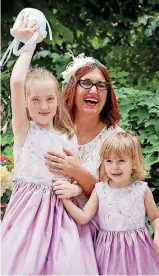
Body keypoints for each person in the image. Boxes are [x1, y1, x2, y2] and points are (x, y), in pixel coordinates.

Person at [1, 19, 98, 275]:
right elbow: (17, 82)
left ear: (58, 101)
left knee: (65, 264)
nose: (43, 106)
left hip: (60, 213)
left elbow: (77, 175)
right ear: (26, 104)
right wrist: (30, 42)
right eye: (35, 100)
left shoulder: (68, 136)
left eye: (49, 99)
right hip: (28, 215)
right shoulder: (24, 131)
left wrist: (75, 186)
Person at [45, 51, 123, 237]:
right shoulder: (52, 127)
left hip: (92, 235)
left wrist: (77, 172)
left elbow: (116, 202)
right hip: (46, 227)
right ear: (73, 87)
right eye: (86, 83)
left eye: (101, 85)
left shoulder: (116, 139)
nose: (94, 90)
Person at [61, 131, 159, 275]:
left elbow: (155, 217)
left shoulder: (142, 190)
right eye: (108, 161)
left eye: (121, 161)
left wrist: (157, 234)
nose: (114, 167)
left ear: (134, 162)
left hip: (139, 252)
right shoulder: (100, 190)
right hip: (108, 253)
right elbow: (83, 217)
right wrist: (65, 200)